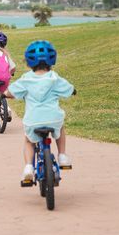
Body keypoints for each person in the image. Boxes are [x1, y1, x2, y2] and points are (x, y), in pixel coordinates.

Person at [5, 40, 75, 184]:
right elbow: (69, 89)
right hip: (53, 119)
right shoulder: (55, 78)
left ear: (29, 61)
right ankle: (62, 156)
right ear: (52, 60)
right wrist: (73, 91)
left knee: (29, 141)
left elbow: (10, 92)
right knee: (60, 127)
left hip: (33, 120)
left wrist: (5, 94)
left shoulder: (26, 80)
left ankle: (28, 168)